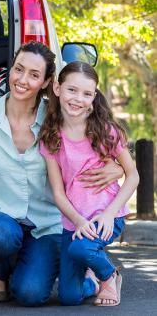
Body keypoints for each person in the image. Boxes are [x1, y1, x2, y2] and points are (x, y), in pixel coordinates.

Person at [0, 41, 123, 306]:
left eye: (34, 75)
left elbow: (100, 140)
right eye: (18, 69)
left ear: (47, 82)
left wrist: (117, 167)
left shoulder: (58, 120)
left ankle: (87, 273)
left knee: (29, 294)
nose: (22, 80)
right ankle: (0, 271)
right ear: (10, 70)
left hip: (46, 224)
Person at [38, 61, 139, 307]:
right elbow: (58, 193)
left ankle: (109, 275)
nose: (78, 99)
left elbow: (133, 175)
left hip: (107, 217)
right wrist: (79, 221)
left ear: (94, 97)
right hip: (75, 222)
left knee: (82, 250)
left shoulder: (106, 131)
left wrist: (109, 214)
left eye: (86, 93)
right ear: (58, 88)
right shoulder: (51, 137)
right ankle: (92, 281)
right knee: (69, 297)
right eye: (72, 90)